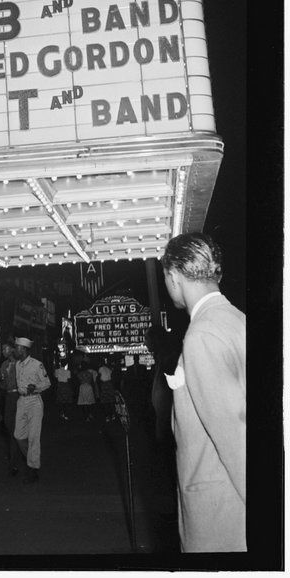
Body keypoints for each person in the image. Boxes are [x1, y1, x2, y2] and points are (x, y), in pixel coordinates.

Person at [161, 233, 245, 552]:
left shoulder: (203, 334)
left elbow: (237, 441)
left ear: (173, 277)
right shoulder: (237, 321)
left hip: (221, 518)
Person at [13, 337, 51, 483]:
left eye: (17, 348)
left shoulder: (37, 364)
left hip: (34, 401)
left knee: (34, 437)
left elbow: (47, 383)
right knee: (19, 435)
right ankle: (32, 460)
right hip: (21, 400)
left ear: (23, 349)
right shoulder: (17, 364)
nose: (15, 350)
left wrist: (36, 387)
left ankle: (33, 469)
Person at [0, 341, 20, 474]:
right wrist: (1, 381)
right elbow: (1, 386)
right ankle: (13, 458)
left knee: (18, 431)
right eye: (2, 349)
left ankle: (15, 461)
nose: (3, 351)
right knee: (10, 430)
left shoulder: (20, 364)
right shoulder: (4, 365)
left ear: (12, 350)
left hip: (19, 397)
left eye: (5, 348)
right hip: (9, 399)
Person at [97, 357, 116, 422]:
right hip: (110, 384)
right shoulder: (108, 369)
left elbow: (99, 378)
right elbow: (112, 377)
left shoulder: (100, 368)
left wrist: (99, 387)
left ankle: (107, 416)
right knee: (111, 400)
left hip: (104, 385)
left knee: (105, 402)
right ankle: (113, 415)